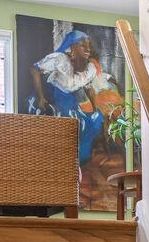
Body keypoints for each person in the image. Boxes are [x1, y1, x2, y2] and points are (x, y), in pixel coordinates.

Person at [28, 29, 117, 206]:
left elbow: (88, 87)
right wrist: (40, 97)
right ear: (71, 48)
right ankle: (54, 188)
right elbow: (35, 69)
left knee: (90, 126)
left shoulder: (90, 68)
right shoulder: (59, 60)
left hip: (71, 104)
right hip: (54, 99)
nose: (87, 48)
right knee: (62, 140)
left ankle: (74, 187)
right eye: (82, 45)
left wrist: (96, 108)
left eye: (88, 45)